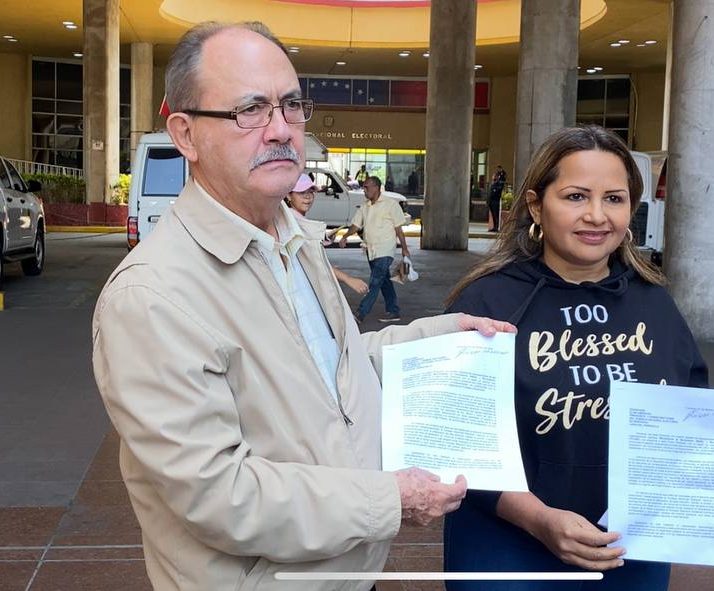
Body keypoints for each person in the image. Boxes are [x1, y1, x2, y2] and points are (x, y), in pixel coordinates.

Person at [91, 21, 517, 591]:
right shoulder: (152, 296)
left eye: (291, 106)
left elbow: (331, 366)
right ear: (186, 135)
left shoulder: (292, 240)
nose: (280, 130)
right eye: (249, 110)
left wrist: (437, 340)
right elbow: (221, 495)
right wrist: (390, 499)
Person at [441, 126, 714, 591]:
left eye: (614, 199)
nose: (596, 216)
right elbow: (451, 442)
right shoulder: (486, 302)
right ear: (537, 205)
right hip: (507, 545)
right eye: (576, 196)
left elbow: (680, 418)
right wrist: (538, 519)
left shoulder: (653, 301)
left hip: (630, 547)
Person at [338, 176, 409, 323]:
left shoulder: (391, 204)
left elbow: (398, 229)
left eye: (367, 187)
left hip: (385, 250)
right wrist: (345, 236)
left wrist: (404, 248)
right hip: (371, 250)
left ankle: (360, 313)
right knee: (384, 282)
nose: (364, 190)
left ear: (377, 187)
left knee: (375, 282)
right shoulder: (365, 206)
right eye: (364, 187)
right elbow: (356, 225)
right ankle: (393, 311)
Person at [285, 175, 368, 295]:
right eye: (301, 192)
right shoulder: (293, 223)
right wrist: (347, 279)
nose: (308, 196)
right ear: (288, 195)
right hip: (298, 288)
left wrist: (324, 237)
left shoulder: (295, 219)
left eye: (311, 191)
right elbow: (316, 261)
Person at [487, 164, 507, 232]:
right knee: (493, 215)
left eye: (495, 176)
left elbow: (503, 178)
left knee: (496, 215)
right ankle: (494, 227)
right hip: (491, 201)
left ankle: (496, 227)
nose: (493, 177)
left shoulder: (499, 183)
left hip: (495, 201)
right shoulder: (493, 183)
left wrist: (501, 171)